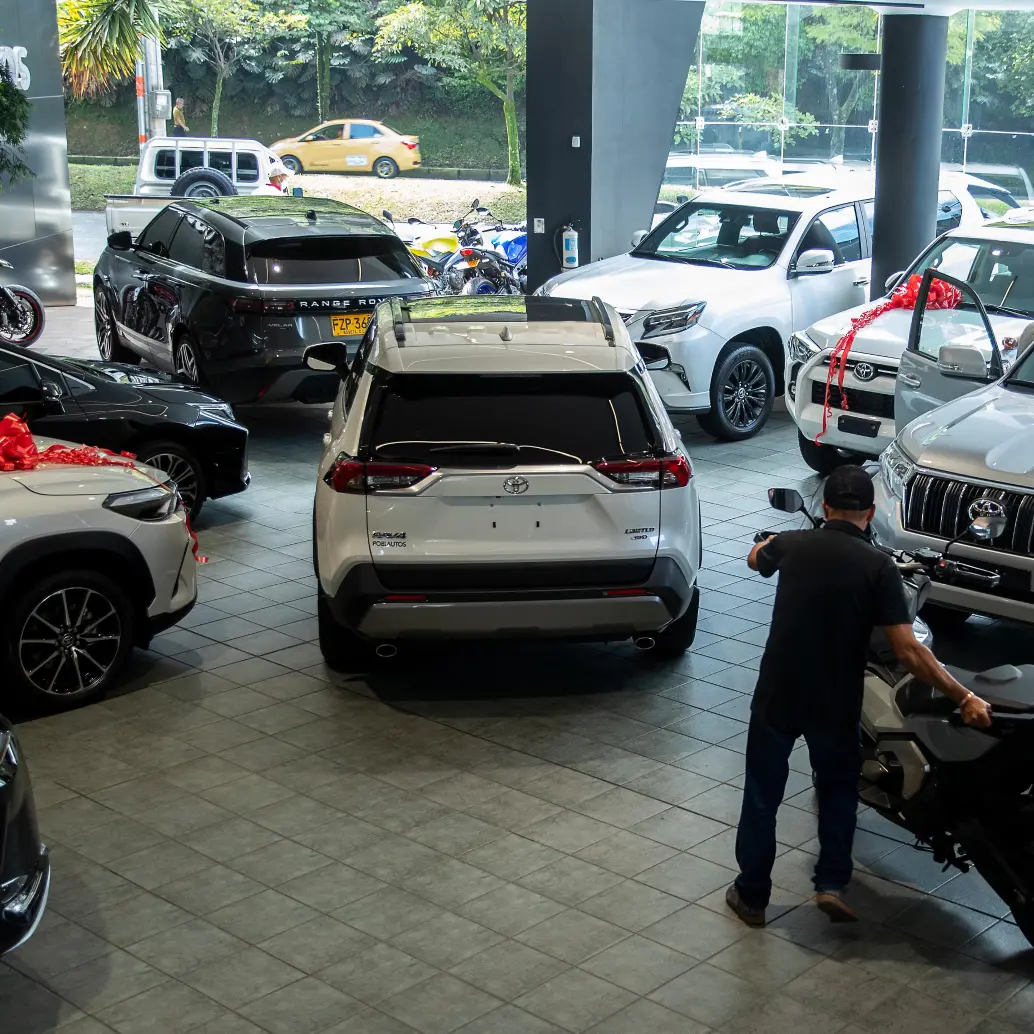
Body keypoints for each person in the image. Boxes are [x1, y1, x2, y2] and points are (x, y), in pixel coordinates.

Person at [725, 465, 993, 928]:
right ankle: (830, 883)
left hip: (778, 692)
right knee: (837, 790)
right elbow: (908, 650)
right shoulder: (878, 567)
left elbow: (755, 559)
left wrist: (767, 544)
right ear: (869, 513)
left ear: (825, 506)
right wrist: (963, 695)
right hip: (835, 698)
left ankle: (751, 897)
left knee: (762, 793)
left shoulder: (792, 544)